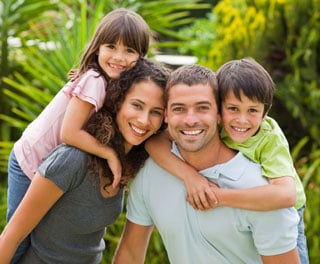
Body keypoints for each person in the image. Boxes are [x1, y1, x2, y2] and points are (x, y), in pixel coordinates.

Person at [113, 64, 300, 263]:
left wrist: (218, 196)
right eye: (179, 109)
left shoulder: (261, 192)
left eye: (202, 108)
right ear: (166, 115)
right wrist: (189, 176)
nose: (190, 120)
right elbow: (130, 255)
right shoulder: (150, 172)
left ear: (219, 114)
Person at [6, 8, 151, 263]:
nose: (119, 57)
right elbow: (69, 133)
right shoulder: (95, 79)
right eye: (111, 47)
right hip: (29, 161)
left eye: (129, 50)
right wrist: (110, 154)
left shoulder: (117, 86)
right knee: (19, 238)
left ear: (142, 57)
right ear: (97, 48)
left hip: (52, 166)